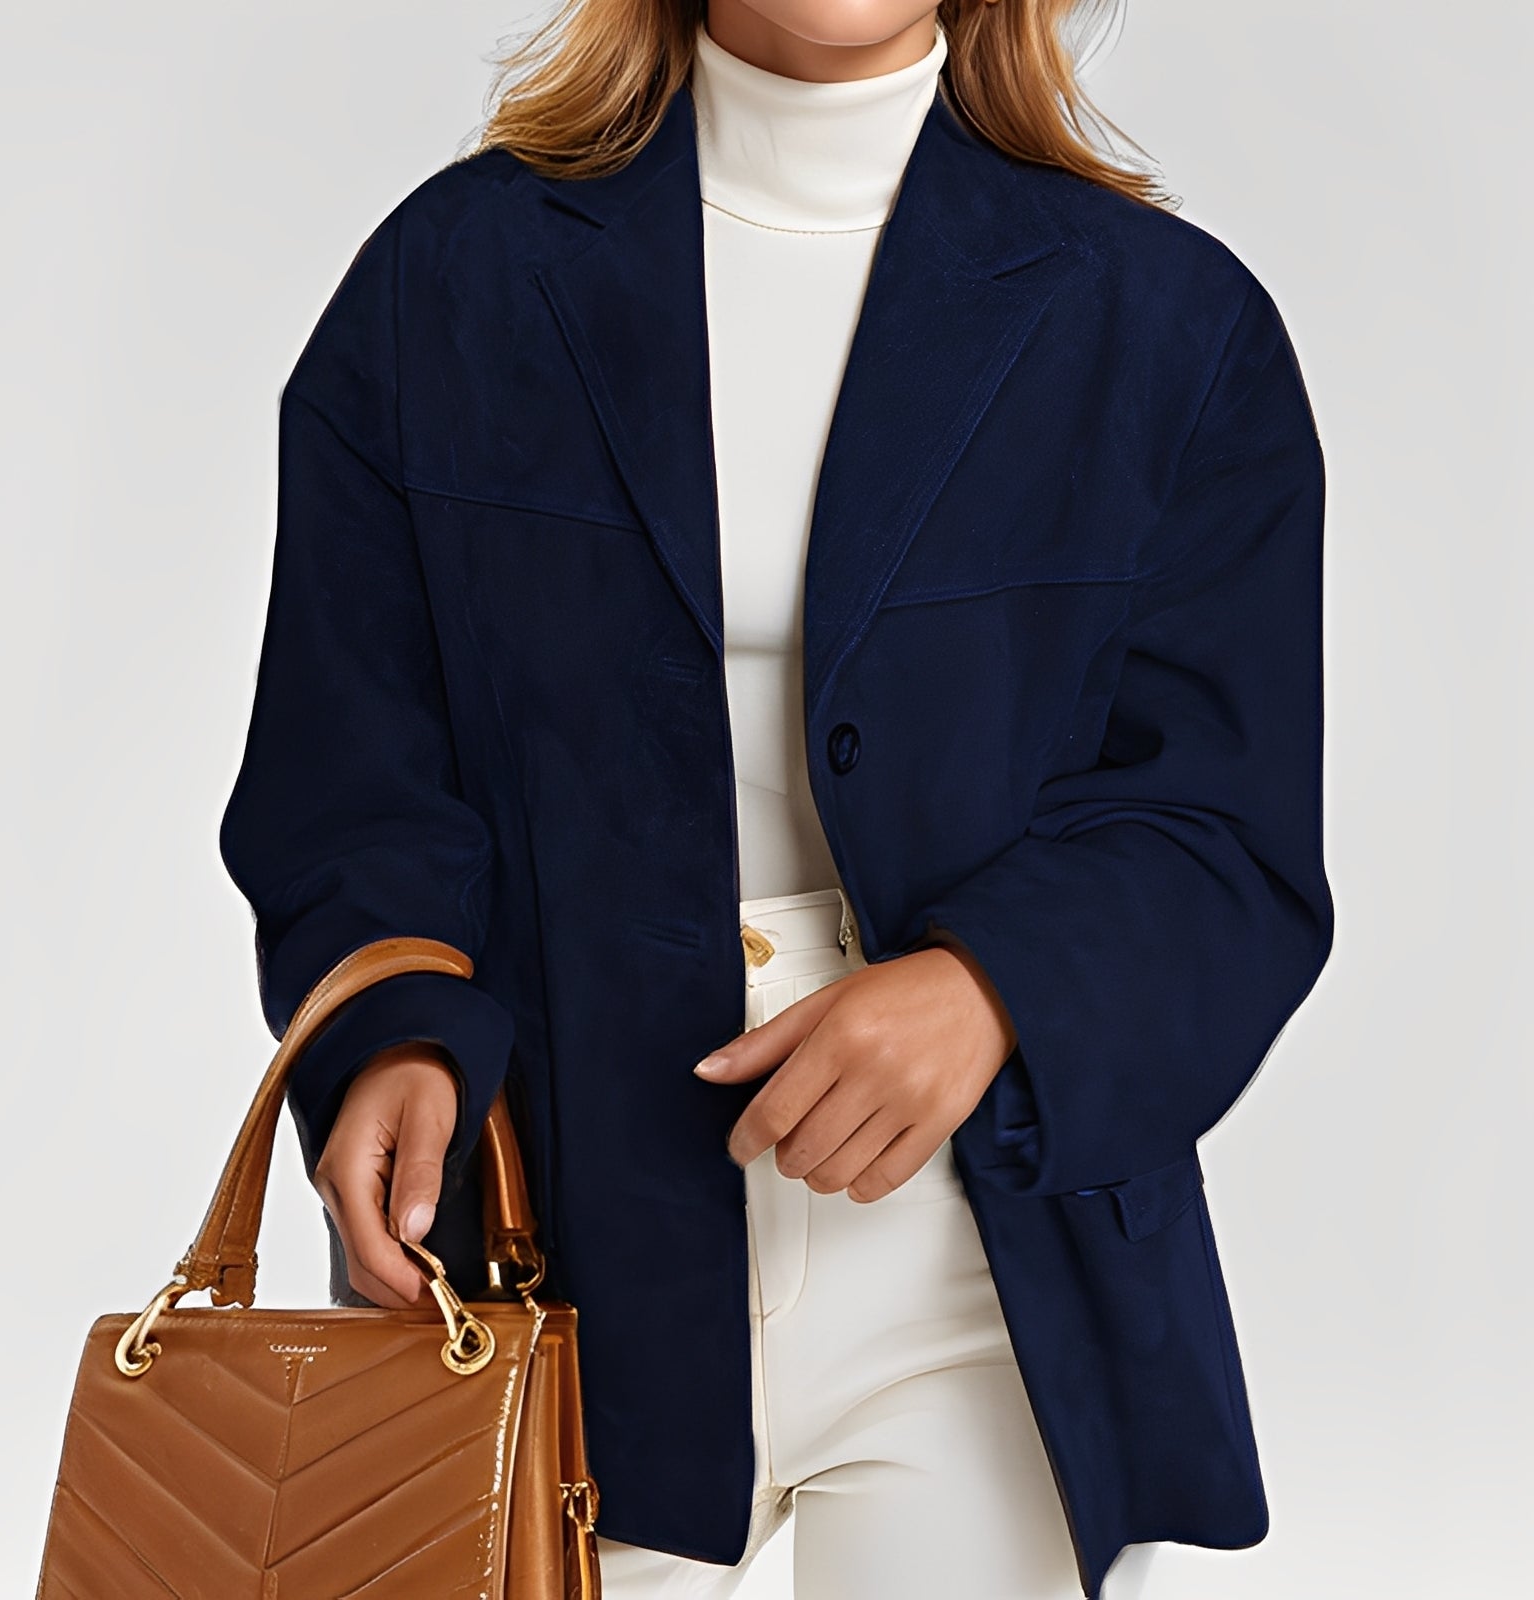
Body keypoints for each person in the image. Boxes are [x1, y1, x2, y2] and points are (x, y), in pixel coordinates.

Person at [218, 2, 1334, 1596]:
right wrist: (393, 1023)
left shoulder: (1166, 322)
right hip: (558, 1216)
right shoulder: (448, 282)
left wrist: (993, 988)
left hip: (984, 1242)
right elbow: (349, 762)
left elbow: (1224, 827)